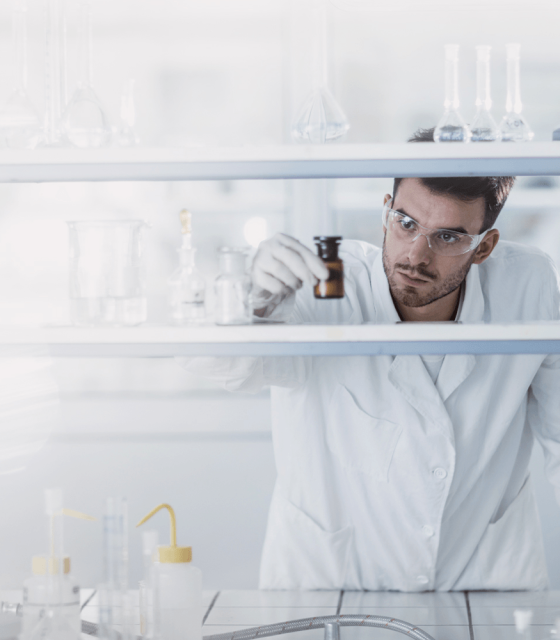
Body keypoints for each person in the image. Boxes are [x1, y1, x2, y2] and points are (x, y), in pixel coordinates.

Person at [181, 128, 560, 591]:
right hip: (331, 586)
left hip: (479, 582)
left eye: (447, 237)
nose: (416, 255)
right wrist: (255, 301)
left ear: (484, 246)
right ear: (386, 211)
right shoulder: (327, 279)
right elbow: (219, 366)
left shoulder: (528, 284)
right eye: (405, 223)